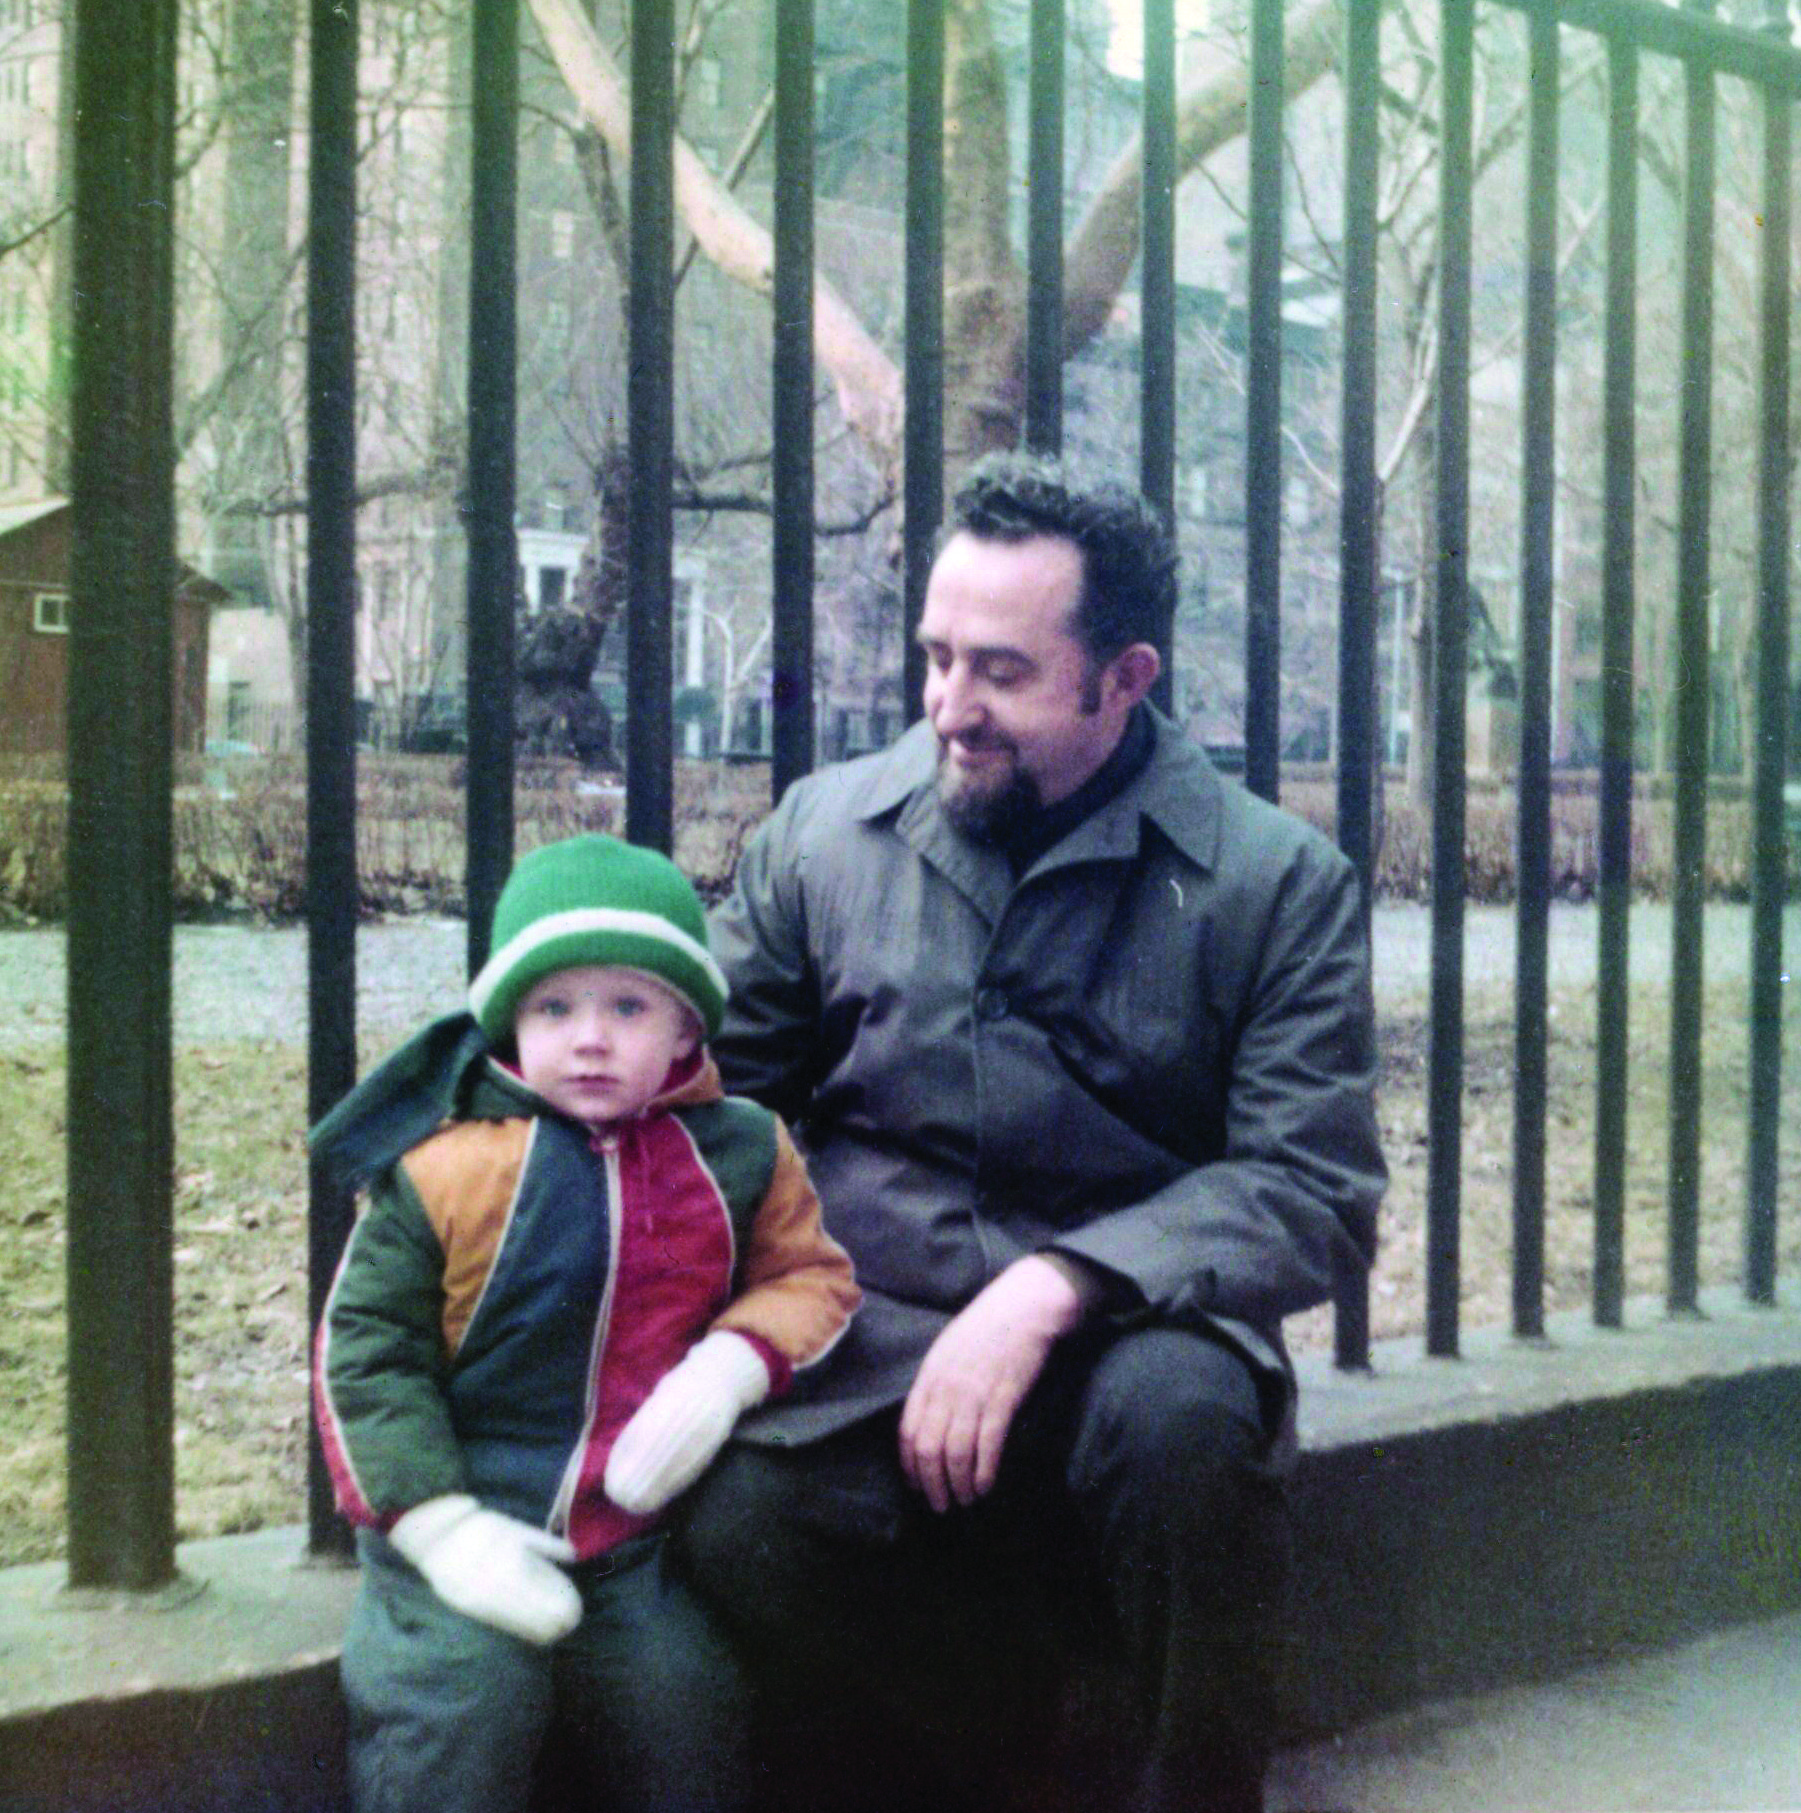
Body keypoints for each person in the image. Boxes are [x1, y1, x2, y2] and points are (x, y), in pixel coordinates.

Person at [679, 454, 1386, 1813]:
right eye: (935, 656)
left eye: (999, 670)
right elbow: (716, 1100)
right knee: (732, 1520)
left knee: (1189, 1435)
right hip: (864, 1326)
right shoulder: (827, 833)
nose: (947, 706)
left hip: (1129, 1332)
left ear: (1123, 677)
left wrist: (1054, 1286)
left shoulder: (1274, 882)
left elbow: (1313, 1188)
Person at [310, 833, 860, 1813]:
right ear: (512, 1020)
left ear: (687, 1027)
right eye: (554, 1006)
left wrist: (726, 1369)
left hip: (631, 1543)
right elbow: (365, 1351)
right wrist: (437, 1527)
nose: (590, 1037)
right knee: (462, 1713)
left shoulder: (740, 1149)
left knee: (687, 1713)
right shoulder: (446, 1166)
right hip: (457, 1529)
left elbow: (809, 1277)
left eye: (628, 1006)